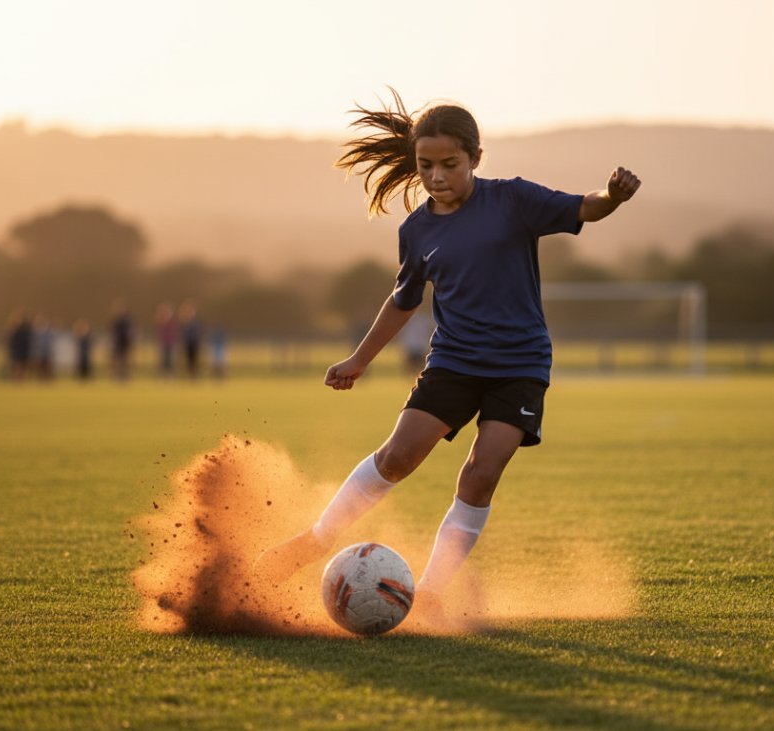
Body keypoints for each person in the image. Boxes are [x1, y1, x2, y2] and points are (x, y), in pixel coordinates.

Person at [256, 92, 640, 619]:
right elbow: (403, 301)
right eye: (426, 166)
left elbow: (584, 207)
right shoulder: (417, 231)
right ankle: (314, 540)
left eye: (449, 165)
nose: (436, 177)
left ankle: (433, 592)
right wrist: (359, 360)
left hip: (520, 365)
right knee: (397, 457)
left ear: (476, 158)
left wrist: (613, 195)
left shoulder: (513, 200)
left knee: (481, 473)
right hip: (454, 362)